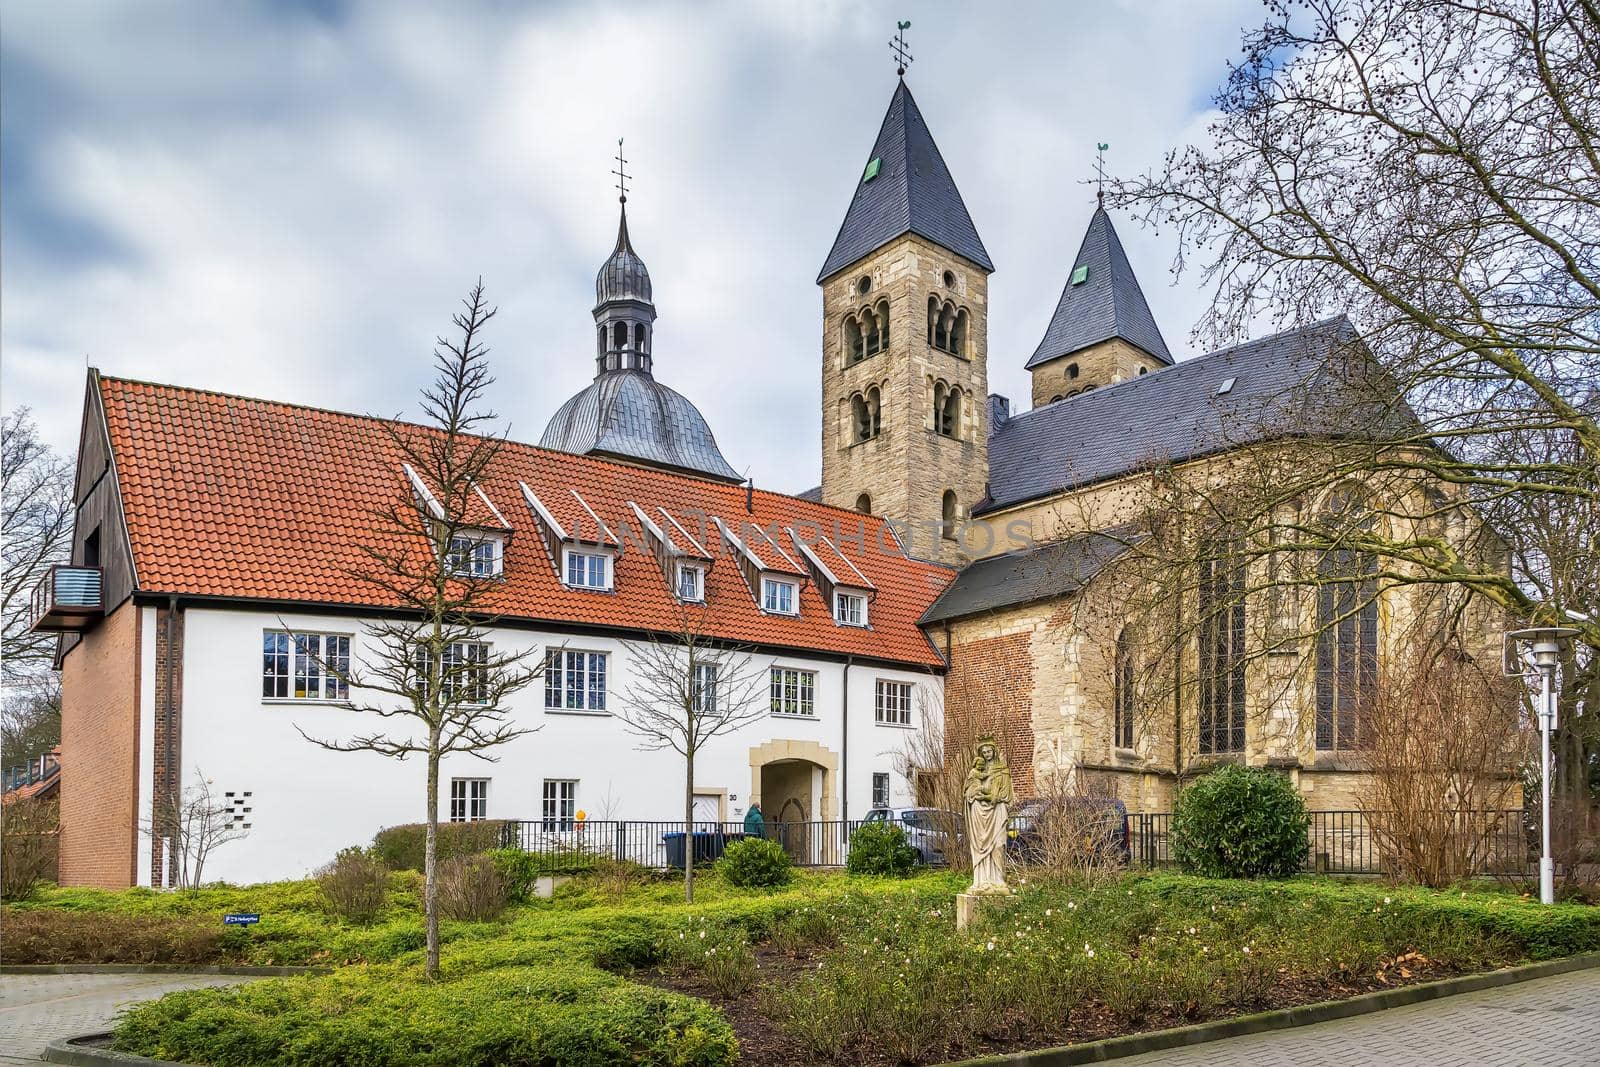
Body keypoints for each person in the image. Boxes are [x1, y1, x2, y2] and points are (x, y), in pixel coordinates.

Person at [964, 738, 1013, 893]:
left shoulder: (1003, 769)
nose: (987, 755)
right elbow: (969, 791)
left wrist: (992, 796)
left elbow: (1005, 793)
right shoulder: (977, 771)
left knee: (998, 845)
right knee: (980, 844)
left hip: (997, 810)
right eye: (984, 752)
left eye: (989, 751)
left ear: (994, 751)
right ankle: (982, 880)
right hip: (979, 811)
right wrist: (974, 795)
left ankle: (998, 881)